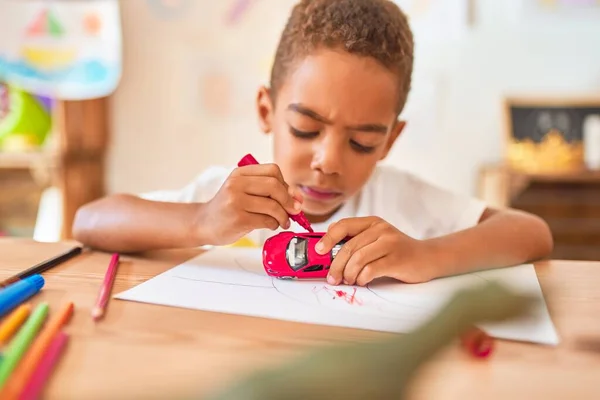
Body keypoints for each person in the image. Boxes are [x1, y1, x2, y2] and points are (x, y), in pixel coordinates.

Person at [72, 0, 553, 287]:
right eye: (306, 129)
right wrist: (198, 221)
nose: (328, 161)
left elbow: (531, 231)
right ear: (266, 111)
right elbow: (89, 221)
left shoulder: (403, 202)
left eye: (363, 142)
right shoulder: (227, 197)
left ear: (390, 140)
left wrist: (425, 257)